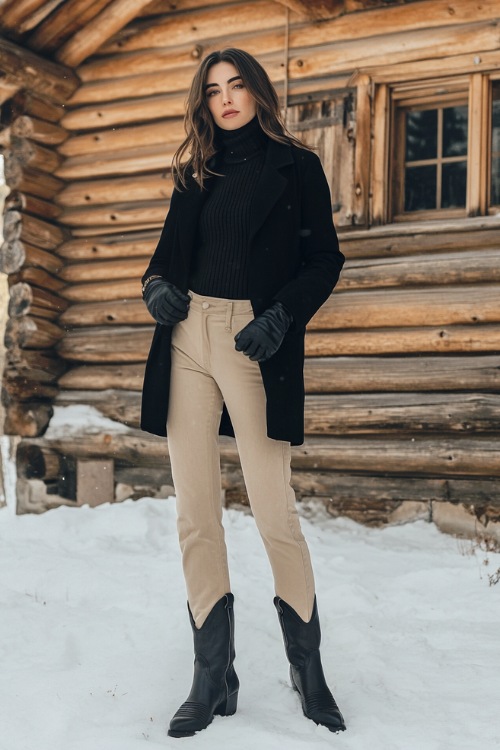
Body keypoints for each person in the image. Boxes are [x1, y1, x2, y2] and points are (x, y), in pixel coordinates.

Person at [140, 47, 346, 738]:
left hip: (256, 337)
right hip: (187, 337)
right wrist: (157, 288)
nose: (226, 98)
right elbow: (164, 260)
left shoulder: (297, 167)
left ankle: (306, 668)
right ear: (203, 102)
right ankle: (212, 673)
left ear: (257, 91)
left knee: (272, 510)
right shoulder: (195, 170)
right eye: (213, 90)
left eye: (237, 86)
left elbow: (325, 260)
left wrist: (282, 314)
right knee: (196, 512)